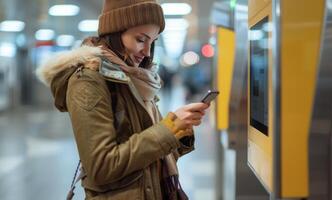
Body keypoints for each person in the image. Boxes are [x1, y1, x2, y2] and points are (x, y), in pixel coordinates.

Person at [36, 0, 209, 199]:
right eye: (140, 39)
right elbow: (101, 166)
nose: (146, 51)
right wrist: (168, 130)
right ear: (115, 31)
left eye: (151, 42)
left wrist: (179, 129)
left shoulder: (137, 78)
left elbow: (152, 157)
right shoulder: (88, 80)